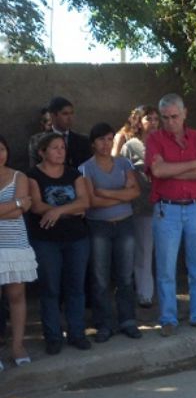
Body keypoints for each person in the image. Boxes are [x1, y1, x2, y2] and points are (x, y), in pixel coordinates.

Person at [145, 93, 196, 337]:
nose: (170, 122)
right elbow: (157, 171)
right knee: (165, 267)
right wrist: (193, 164)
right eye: (165, 117)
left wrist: (171, 171)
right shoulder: (154, 139)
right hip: (167, 209)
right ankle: (168, 318)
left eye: (174, 116)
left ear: (185, 113)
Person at [27, 133, 92, 354]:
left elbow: (85, 201)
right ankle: (53, 337)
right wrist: (71, 210)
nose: (60, 152)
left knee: (76, 287)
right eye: (55, 148)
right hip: (46, 240)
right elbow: (36, 205)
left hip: (77, 238)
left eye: (62, 148)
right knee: (50, 288)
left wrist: (57, 211)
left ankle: (77, 333)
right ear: (42, 152)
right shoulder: (32, 176)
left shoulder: (74, 174)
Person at [79, 123, 143, 342]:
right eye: (101, 140)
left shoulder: (124, 163)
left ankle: (128, 320)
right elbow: (92, 201)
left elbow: (135, 192)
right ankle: (103, 323)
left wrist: (105, 192)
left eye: (109, 139)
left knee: (125, 275)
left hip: (124, 224)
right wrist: (121, 195)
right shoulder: (86, 168)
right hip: (99, 226)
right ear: (93, 143)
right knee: (100, 278)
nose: (105, 144)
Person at [0, 135, 37, 368]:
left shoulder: (19, 177)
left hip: (15, 245)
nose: (0, 155)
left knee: (16, 296)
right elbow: (18, 206)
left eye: (2, 149)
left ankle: (17, 346)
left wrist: (17, 207)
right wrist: (16, 203)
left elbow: (18, 214)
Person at [120, 105, 159, 308]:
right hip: (142, 205)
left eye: (155, 119)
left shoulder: (163, 142)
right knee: (143, 250)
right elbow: (122, 173)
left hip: (165, 204)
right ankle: (145, 293)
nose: (153, 122)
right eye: (148, 119)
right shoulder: (131, 146)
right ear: (139, 122)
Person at [47, 97, 92, 168]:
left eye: (71, 113)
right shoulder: (39, 141)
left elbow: (87, 168)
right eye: (65, 114)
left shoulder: (83, 141)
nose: (70, 118)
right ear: (53, 116)